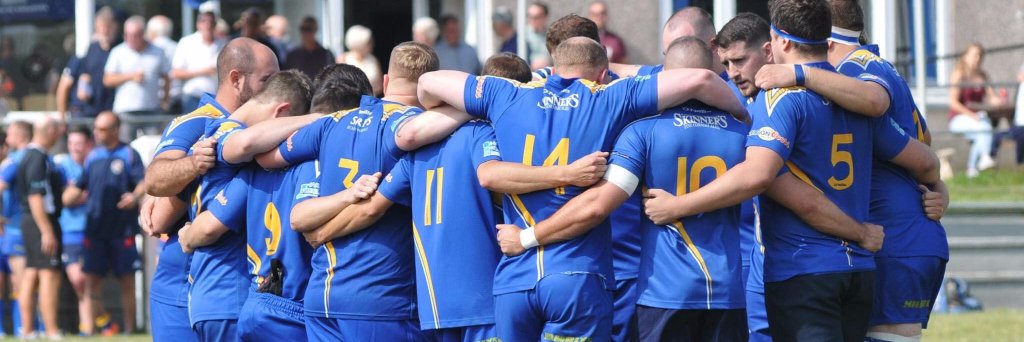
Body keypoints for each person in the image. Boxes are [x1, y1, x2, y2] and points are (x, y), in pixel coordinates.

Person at [638, 0, 940, 340]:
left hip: (805, 268)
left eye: (738, 61)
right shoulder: (853, 96)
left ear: (777, 42)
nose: (733, 71)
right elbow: (926, 161)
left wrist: (678, 206)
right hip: (858, 270)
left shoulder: (780, 98)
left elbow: (760, 176)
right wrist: (937, 189)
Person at [416, 36, 747, 341]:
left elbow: (428, 82)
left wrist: (458, 109)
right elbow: (701, 79)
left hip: (514, 280)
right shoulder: (611, 97)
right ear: (603, 74)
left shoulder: (506, 94)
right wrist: (740, 114)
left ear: (554, 65)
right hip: (577, 276)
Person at [753, 1, 951, 340]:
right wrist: (937, 186)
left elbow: (876, 102)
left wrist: (799, 72)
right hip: (895, 236)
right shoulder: (857, 78)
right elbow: (924, 146)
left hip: (891, 235)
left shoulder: (856, 68)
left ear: (826, 41)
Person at [253, 42, 440, 341]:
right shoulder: (418, 131)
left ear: (386, 82)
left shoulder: (332, 123)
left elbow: (262, 154)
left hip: (322, 298)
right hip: (382, 297)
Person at [188, 64, 370, 342]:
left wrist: (187, 236)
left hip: (255, 302)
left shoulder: (254, 168)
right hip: (292, 305)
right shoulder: (316, 163)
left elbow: (209, 225)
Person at [141, 37, 280, 342]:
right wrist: (195, 165)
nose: (274, 90)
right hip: (184, 284)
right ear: (236, 79)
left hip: (240, 287)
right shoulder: (198, 122)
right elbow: (156, 181)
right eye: (267, 81)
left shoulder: (268, 125)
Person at [178, 69, 311, 342]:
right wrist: (318, 120)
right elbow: (246, 143)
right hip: (228, 290)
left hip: (209, 290)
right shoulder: (231, 136)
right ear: (282, 112)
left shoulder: (212, 134)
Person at [715, 12, 773, 342]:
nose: (733, 73)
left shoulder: (795, 95)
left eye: (739, 60)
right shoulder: (722, 96)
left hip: (804, 255)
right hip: (750, 255)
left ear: (768, 51)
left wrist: (933, 185)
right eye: (725, 63)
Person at [62, 112, 145, 334]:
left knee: (126, 281)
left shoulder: (129, 154)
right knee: (91, 282)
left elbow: (143, 182)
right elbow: (79, 186)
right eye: (96, 129)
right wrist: (67, 196)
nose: (97, 133)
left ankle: (129, 330)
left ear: (115, 130)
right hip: (95, 230)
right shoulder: (93, 157)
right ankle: (88, 330)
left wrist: (134, 197)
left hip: (121, 229)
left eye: (102, 129)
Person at [15, 118, 64, 340]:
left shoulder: (27, 155)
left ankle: (28, 330)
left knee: (31, 272)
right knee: (48, 274)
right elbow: (36, 196)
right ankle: (52, 329)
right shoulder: (38, 157)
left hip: (30, 221)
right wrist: (47, 230)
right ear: (51, 132)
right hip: (40, 220)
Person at [55, 126, 95, 336]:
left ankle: (87, 328)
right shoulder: (61, 167)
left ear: (89, 144)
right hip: (69, 231)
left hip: (93, 231)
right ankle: (100, 320)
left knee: (89, 281)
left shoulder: (94, 164)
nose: (75, 148)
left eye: (79, 143)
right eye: (71, 144)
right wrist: (81, 196)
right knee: (78, 279)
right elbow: (62, 199)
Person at [948, 42, 1000, 177]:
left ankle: (972, 170)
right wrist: (971, 115)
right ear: (965, 56)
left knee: (981, 132)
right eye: (974, 55)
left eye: (980, 55)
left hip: (977, 119)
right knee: (983, 126)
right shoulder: (959, 74)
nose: (977, 58)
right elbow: (953, 102)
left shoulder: (983, 76)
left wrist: (998, 101)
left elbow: (991, 97)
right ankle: (984, 158)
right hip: (958, 119)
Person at [103, 15, 171, 116]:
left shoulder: (158, 52)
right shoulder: (118, 52)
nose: (131, 39)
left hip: (152, 110)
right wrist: (130, 76)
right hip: (125, 110)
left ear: (143, 34)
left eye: (135, 35)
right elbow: (107, 80)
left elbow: (167, 76)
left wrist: (165, 101)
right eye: (128, 35)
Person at [62, 7, 119, 119]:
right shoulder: (92, 48)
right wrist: (82, 88)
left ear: (115, 27)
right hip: (88, 108)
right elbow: (84, 74)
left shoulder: (120, 49)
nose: (105, 31)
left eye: (108, 27)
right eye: (102, 27)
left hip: (110, 109)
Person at [0, 121, 29, 336]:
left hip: (15, 230)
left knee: (20, 282)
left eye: (9, 134)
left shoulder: (14, 162)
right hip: (14, 230)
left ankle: (25, 328)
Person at [171, 10, 225, 112]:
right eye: (204, 21)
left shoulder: (222, 43)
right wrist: (203, 71)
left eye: (211, 22)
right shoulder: (187, 42)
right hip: (192, 97)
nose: (208, 25)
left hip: (215, 99)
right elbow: (176, 73)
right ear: (198, 24)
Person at [147, 15, 181, 113]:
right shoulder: (177, 46)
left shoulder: (151, 48)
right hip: (176, 95)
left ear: (152, 32)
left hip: (156, 98)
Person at [339, 25, 383, 96]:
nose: (373, 44)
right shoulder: (343, 59)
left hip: (370, 100)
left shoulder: (373, 60)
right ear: (360, 43)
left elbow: (380, 85)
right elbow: (339, 84)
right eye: (369, 42)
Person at [526, 2, 550, 68]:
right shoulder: (521, 36)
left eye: (536, 17)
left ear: (545, 17)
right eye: (529, 16)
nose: (532, 20)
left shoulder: (552, 35)